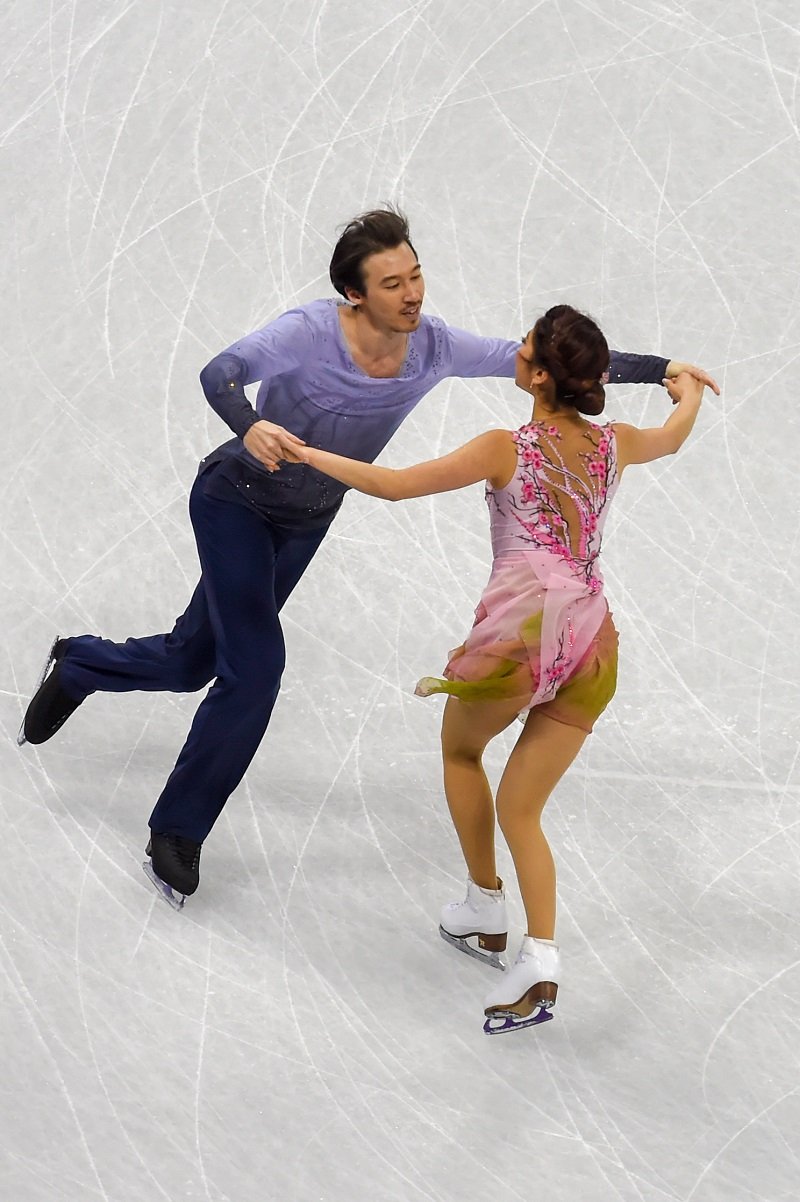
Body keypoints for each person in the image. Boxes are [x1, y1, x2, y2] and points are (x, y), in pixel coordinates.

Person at [18, 208, 717, 910]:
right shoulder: (310, 332)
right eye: (392, 283)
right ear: (355, 294)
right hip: (234, 501)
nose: (413, 293)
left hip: (305, 521)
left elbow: (546, 363)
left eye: (416, 275)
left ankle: (81, 664)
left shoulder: (434, 346)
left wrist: (659, 369)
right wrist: (251, 423)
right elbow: (220, 372)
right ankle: (177, 831)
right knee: (256, 671)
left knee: (191, 660)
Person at [281, 303, 707, 1033]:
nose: (516, 352)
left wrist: (306, 452)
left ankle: (484, 905)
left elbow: (395, 485)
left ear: (541, 377)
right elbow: (671, 437)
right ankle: (538, 954)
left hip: (521, 634)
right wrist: (687, 386)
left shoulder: (502, 447)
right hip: (593, 644)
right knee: (523, 809)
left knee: (461, 750)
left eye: (527, 349)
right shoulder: (616, 445)